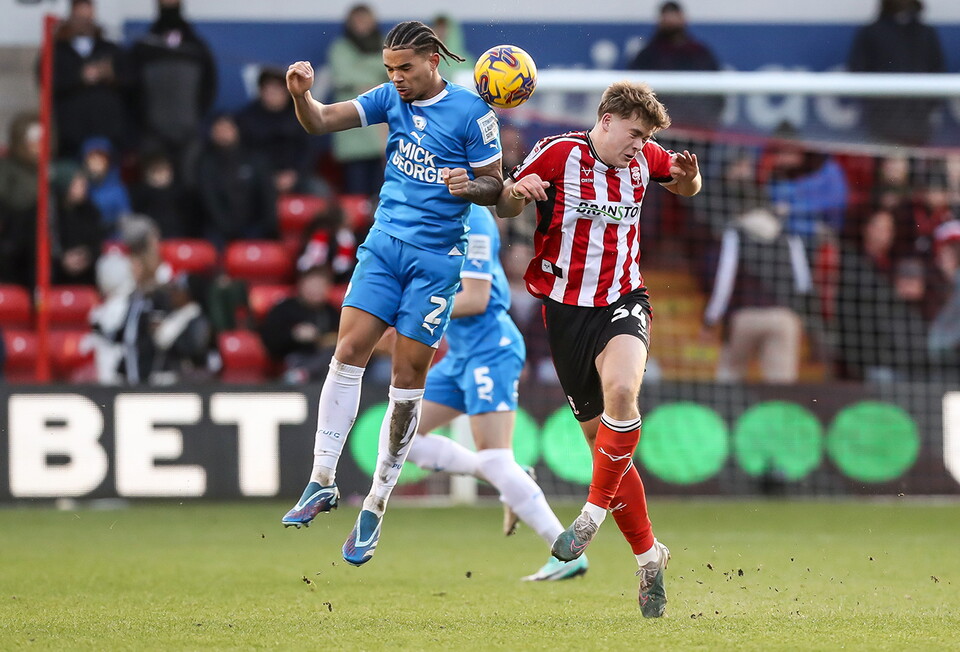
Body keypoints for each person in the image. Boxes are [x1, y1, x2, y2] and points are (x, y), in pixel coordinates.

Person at [279, 21, 504, 569]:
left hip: (435, 265)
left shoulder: (474, 113)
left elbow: (496, 187)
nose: (396, 78)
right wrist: (301, 96)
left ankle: (376, 503)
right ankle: (322, 479)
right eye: (389, 70)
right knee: (347, 351)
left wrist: (466, 186)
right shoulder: (387, 99)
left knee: (407, 378)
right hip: (384, 247)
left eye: (405, 68)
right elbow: (322, 123)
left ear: (432, 61)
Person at [496, 81, 701, 617]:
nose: (640, 146)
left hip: (623, 300)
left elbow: (684, 188)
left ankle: (589, 516)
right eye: (634, 134)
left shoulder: (645, 158)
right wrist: (518, 192)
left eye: (646, 138)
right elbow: (504, 200)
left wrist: (691, 176)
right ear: (606, 120)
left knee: (623, 392)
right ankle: (649, 557)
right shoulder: (559, 153)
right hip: (564, 313)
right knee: (603, 443)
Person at [403, 205, 588, 581]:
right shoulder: (430, 217)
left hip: (492, 350)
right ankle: (509, 475)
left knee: (493, 455)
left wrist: (413, 313)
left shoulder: (475, 218)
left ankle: (568, 555)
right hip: (460, 355)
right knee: (402, 437)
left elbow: (476, 298)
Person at [129, 0, 217, 181]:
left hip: (188, 132)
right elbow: (132, 89)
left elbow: (209, 86)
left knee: (189, 183)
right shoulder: (144, 47)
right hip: (152, 132)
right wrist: (145, 121)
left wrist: (192, 117)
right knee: (155, 186)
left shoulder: (196, 47)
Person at [847, 0, 945, 145]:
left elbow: (938, 71)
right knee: (888, 165)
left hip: (918, 125)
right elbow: (857, 71)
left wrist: (924, 107)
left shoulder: (925, 33)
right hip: (881, 125)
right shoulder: (871, 32)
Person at [50, 0, 129, 159]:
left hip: (107, 136)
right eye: (80, 17)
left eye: (89, 17)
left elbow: (130, 79)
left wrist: (110, 74)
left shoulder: (110, 49)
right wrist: (79, 76)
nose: (85, 22)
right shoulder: (57, 51)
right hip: (70, 138)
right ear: (71, 17)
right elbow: (48, 81)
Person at [627, 2, 723, 130]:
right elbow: (633, 93)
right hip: (659, 129)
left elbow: (717, 92)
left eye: (674, 15)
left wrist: (707, 121)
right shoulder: (647, 55)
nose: (671, 21)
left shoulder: (699, 54)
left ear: (683, 18)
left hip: (697, 128)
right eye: (667, 16)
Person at [326, 5, 388, 196]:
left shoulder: (385, 44)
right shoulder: (339, 48)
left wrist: (360, 68)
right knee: (355, 196)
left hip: (382, 134)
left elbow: (391, 70)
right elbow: (343, 75)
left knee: (382, 195)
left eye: (365, 20)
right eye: (357, 21)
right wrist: (375, 74)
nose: (361, 25)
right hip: (353, 135)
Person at [235, 67, 315, 196]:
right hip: (258, 179)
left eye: (279, 90)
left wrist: (294, 174)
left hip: (296, 177)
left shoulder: (300, 115)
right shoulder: (246, 118)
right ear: (261, 91)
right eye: (269, 90)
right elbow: (244, 154)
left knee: (319, 191)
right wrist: (268, 177)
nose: (274, 94)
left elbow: (308, 150)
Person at [259, 265, 340, 383]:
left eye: (321, 286)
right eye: (312, 285)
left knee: (333, 356)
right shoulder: (284, 309)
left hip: (326, 362)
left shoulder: (332, 312)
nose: (316, 290)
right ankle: (300, 374)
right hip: (294, 358)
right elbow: (270, 342)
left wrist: (324, 339)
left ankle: (304, 373)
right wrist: (294, 335)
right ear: (301, 285)